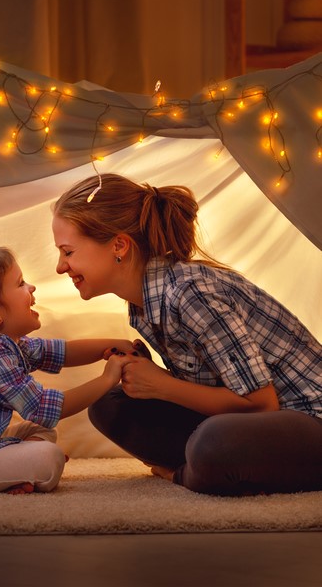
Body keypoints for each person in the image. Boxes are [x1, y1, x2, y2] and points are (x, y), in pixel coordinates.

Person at [52, 172, 322, 496]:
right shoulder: (142, 305)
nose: (60, 267)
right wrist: (144, 376)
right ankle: (212, 469)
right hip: (254, 423)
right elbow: (212, 384)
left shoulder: (190, 292)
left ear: (119, 246)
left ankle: (187, 474)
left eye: (68, 252)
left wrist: (162, 385)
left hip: (305, 419)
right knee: (107, 404)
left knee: (214, 444)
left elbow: (261, 404)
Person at [0, 247, 138, 495]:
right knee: (49, 458)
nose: (31, 287)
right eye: (21, 283)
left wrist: (111, 345)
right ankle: (18, 470)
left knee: (39, 431)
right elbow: (45, 408)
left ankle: (15, 473)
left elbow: (61, 352)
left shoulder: (5, 345)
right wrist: (108, 379)